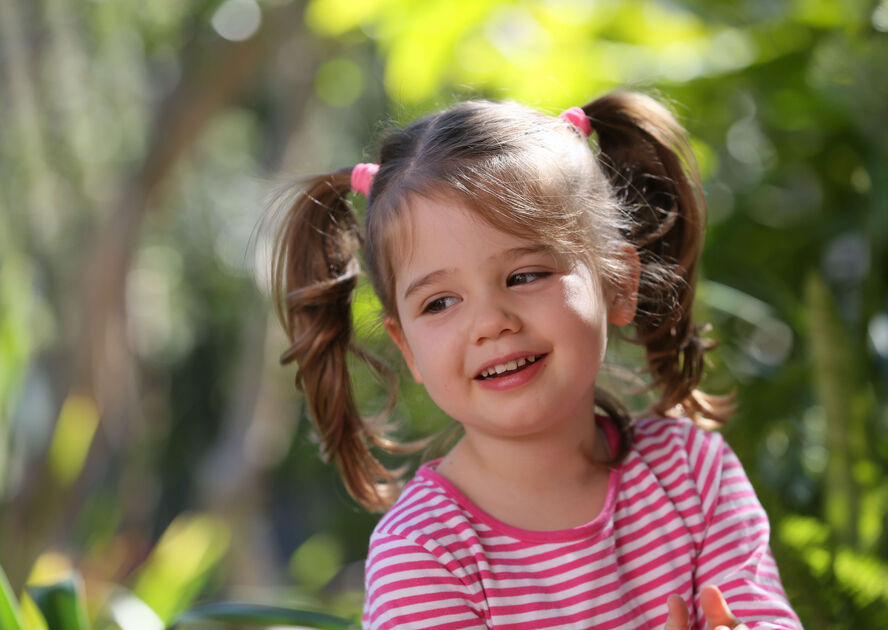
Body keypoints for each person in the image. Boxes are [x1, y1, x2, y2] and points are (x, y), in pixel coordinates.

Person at [268, 91, 802, 629]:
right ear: (407, 347)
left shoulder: (693, 473)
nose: (491, 322)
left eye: (525, 276)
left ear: (617, 283)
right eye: (440, 303)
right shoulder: (424, 556)